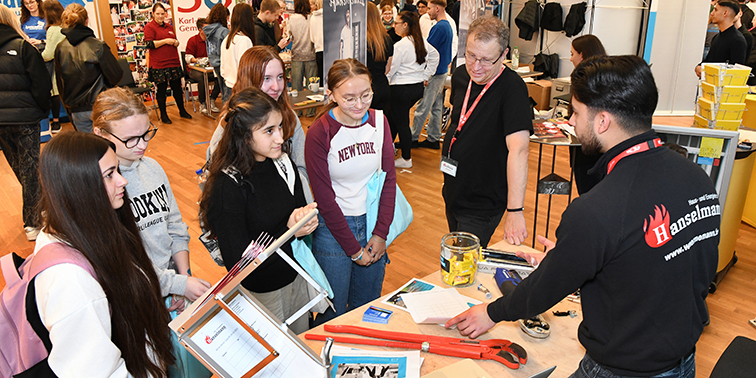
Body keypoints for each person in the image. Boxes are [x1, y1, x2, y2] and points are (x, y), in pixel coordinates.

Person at [447, 55, 720, 378]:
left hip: (621, 368)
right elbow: (675, 265)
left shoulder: (597, 208)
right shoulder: (698, 179)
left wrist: (492, 312)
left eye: (575, 113)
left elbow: (546, 288)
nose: (571, 122)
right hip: (682, 360)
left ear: (602, 121)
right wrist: (578, 256)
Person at [32, 132, 174, 377]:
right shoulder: (70, 282)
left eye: (117, 170)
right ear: (80, 187)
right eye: (109, 175)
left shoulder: (83, 231)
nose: (122, 181)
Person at [199, 88, 318, 334]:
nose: (280, 138)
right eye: (269, 131)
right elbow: (238, 262)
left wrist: (299, 220)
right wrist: (288, 231)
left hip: (294, 276)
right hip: (262, 291)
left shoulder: (282, 164)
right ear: (244, 136)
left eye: (280, 127)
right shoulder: (228, 186)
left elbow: (293, 209)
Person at [92, 86, 211, 306]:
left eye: (146, 133)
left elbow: (175, 226)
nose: (143, 144)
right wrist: (177, 285)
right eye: (131, 139)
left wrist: (183, 276)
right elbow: (124, 262)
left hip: (172, 281)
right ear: (100, 133)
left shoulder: (153, 168)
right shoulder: (100, 187)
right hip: (137, 294)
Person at [305, 59, 396, 324]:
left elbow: (389, 180)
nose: (359, 105)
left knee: (367, 310)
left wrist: (380, 234)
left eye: (366, 95)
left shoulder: (380, 122)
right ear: (331, 95)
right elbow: (324, 199)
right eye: (349, 98)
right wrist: (353, 250)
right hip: (333, 230)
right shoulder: (319, 133)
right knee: (331, 314)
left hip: (372, 224)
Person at [440, 16, 530, 248]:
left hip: (483, 202)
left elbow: (519, 150)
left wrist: (515, 211)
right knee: (463, 260)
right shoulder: (461, 76)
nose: (476, 66)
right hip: (454, 192)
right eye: (471, 55)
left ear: (504, 54)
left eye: (486, 60)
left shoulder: (513, 89)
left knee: (461, 264)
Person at [207, 46, 310, 202]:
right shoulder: (231, 122)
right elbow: (219, 182)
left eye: (280, 77)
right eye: (267, 78)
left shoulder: (290, 117)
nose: (276, 87)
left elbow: (301, 169)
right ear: (249, 80)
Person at [0, 4, 50, 242]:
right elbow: (41, 84)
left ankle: (39, 206)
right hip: (25, 119)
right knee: (29, 169)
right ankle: (32, 221)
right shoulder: (22, 47)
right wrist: (43, 110)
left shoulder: (21, 46)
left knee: (21, 169)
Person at [55, 3, 121, 134]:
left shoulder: (60, 48)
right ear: (86, 20)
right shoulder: (97, 46)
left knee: (89, 150)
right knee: (109, 147)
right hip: (101, 106)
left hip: (76, 109)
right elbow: (116, 75)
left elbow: (60, 83)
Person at [387, 11, 439, 168]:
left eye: (396, 23)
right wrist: (425, 76)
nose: (393, 26)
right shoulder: (420, 41)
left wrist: (386, 80)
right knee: (395, 118)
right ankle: (389, 149)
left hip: (401, 89)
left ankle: (406, 159)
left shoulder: (400, 46)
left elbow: (392, 69)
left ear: (405, 25)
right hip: (416, 88)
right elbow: (435, 56)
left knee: (401, 121)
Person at [410, 0, 453, 151]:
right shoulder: (446, 25)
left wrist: (424, 74)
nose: (427, 11)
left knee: (423, 106)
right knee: (436, 107)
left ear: (437, 8)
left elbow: (427, 50)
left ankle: (413, 138)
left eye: (429, 8)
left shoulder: (440, 27)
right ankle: (433, 138)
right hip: (441, 71)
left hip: (434, 73)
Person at [568, 34, 606, 195]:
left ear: (582, 54)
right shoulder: (605, 76)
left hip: (588, 153)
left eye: (572, 54)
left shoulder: (588, 83)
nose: (570, 59)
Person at [144, 3, 192, 124]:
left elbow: (172, 40)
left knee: (177, 88)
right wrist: (165, 41)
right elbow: (149, 44)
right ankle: (164, 115)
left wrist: (175, 42)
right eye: (158, 14)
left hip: (173, 62)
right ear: (153, 14)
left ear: (165, 14)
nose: (160, 16)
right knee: (162, 89)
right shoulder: (149, 27)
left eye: (162, 14)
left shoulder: (169, 27)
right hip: (159, 64)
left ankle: (182, 110)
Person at [696, 1, 747, 78]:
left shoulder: (737, 40)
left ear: (725, 13)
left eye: (716, 10)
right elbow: (709, 60)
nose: (712, 13)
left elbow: (736, 73)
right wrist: (699, 67)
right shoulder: (717, 37)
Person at [185, 18, 221, 114]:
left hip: (208, 69)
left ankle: (212, 99)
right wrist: (197, 60)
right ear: (200, 30)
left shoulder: (212, 41)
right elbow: (188, 57)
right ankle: (202, 103)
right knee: (201, 77)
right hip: (194, 70)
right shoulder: (193, 40)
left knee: (220, 75)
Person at [40, 0, 64, 134]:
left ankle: (55, 122)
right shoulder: (64, 26)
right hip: (66, 67)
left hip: (56, 68)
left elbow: (48, 54)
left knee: (54, 93)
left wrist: (37, 55)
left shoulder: (53, 29)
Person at [220, 3, 255, 90]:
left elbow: (222, 69)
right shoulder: (244, 40)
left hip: (229, 85)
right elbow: (246, 69)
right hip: (241, 87)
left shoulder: (228, 39)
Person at [366, 2, 394, 111]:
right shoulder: (387, 38)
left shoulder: (360, 40)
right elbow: (388, 68)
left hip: (366, 89)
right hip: (382, 86)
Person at [203, 3, 230, 107]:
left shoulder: (209, 30)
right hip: (224, 63)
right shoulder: (223, 31)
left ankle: (224, 113)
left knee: (223, 90)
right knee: (227, 91)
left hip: (215, 62)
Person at [289, 0, 317, 93]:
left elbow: (289, 36)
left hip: (296, 55)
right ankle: (311, 107)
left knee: (296, 88)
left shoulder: (292, 18)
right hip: (311, 54)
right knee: (312, 87)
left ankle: (297, 107)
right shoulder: (312, 17)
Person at [309, 0, 324, 82]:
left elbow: (312, 38)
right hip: (330, 49)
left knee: (320, 75)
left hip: (318, 49)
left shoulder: (313, 17)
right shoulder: (330, 16)